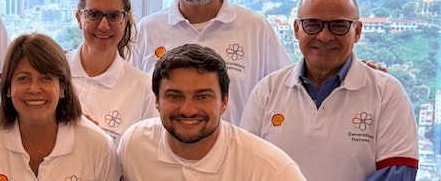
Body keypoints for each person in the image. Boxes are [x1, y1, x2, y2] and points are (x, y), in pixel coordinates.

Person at [241, 0, 418, 181]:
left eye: (339, 26)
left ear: (357, 31)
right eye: (313, 24)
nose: (324, 36)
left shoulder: (388, 93)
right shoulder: (267, 90)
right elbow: (245, 166)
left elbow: (397, 174)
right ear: (297, 29)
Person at [129, 0, 291, 124]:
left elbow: (284, 96)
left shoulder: (256, 29)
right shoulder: (147, 30)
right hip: (159, 153)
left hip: (235, 153)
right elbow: (128, 98)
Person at [118, 44, 305, 181]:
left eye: (203, 97)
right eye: (175, 96)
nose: (188, 110)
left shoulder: (272, 171)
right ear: (157, 101)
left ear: (224, 101)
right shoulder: (135, 145)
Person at [0, 33, 121, 180]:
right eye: (23, 78)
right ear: (7, 88)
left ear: (62, 88)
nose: (34, 89)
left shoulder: (99, 145)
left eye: (46, 78)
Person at [69, 0, 156, 139]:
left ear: (126, 21)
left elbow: (147, 153)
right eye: (94, 15)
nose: (103, 25)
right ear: (79, 19)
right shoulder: (53, 72)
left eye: (114, 16)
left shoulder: (144, 89)